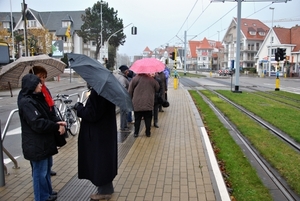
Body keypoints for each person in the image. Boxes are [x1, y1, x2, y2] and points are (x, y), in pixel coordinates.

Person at [18, 74, 66, 201]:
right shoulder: (27, 102)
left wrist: (57, 122)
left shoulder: (37, 98)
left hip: (43, 142)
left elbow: (48, 115)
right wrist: (56, 127)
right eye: (38, 83)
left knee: (45, 170)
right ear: (32, 86)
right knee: (39, 173)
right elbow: (38, 123)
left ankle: (47, 193)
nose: (41, 85)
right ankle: (41, 197)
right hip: (36, 144)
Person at [73, 85, 118, 200]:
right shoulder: (108, 90)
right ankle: (107, 188)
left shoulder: (97, 92)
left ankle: (104, 192)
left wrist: (79, 108)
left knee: (100, 162)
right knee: (105, 161)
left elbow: (91, 114)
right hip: (106, 133)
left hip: (97, 135)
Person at [29, 66, 58, 177]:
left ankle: (47, 171)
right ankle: (43, 192)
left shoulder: (45, 90)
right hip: (40, 132)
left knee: (47, 161)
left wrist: (55, 120)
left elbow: (50, 108)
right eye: (40, 77)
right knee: (39, 169)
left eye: (44, 77)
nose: (43, 80)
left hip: (47, 127)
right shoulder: (31, 95)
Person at [128, 73, 159, 137]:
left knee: (137, 119)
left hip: (137, 103)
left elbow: (130, 90)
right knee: (148, 119)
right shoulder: (151, 80)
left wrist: (130, 99)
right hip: (148, 103)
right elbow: (157, 88)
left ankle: (136, 133)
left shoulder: (135, 79)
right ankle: (148, 132)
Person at [114, 65, 130, 131]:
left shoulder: (119, 76)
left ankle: (124, 126)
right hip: (123, 98)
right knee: (124, 112)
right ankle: (123, 127)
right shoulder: (122, 79)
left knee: (123, 112)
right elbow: (123, 89)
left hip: (119, 97)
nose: (128, 72)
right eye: (127, 71)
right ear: (125, 71)